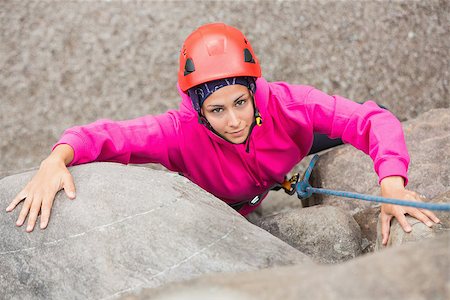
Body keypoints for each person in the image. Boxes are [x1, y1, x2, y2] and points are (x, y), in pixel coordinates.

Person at [6, 23, 440, 246]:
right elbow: (105, 135)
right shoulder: (176, 133)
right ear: (197, 108)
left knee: (377, 112)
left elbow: (371, 122)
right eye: (216, 109)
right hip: (229, 206)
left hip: (285, 151)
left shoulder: (289, 103)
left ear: (255, 93)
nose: (232, 120)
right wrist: (54, 161)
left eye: (240, 102)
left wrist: (391, 184)